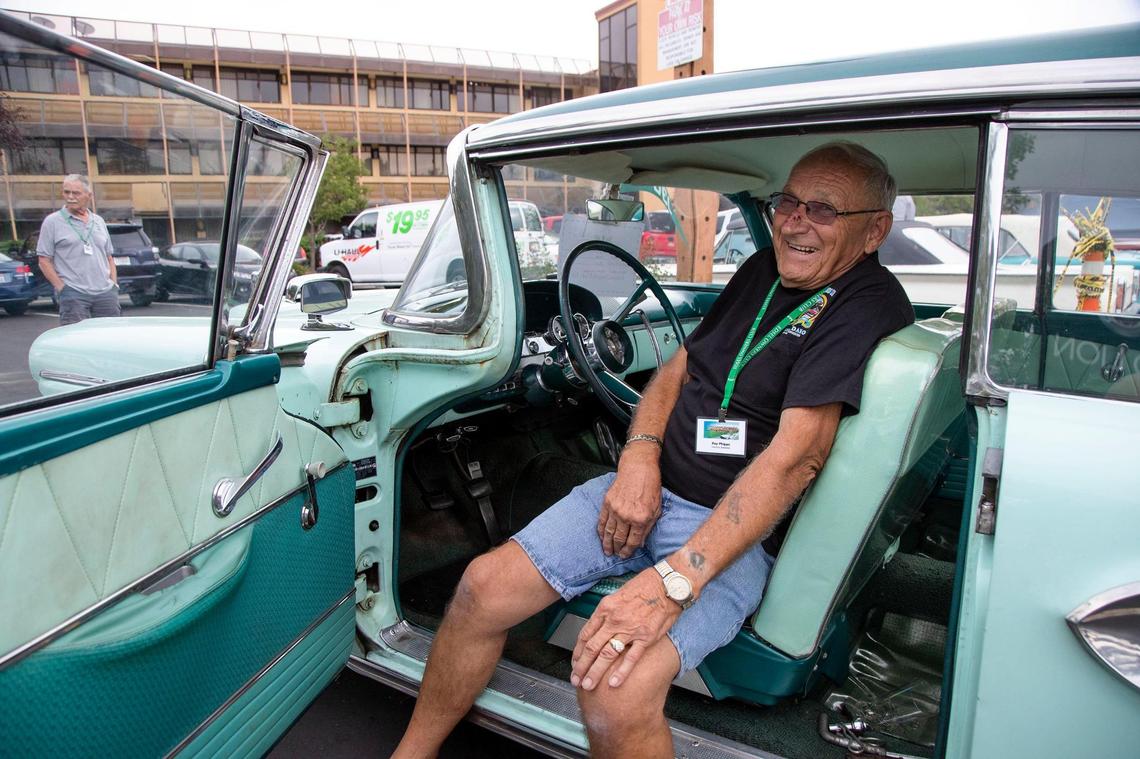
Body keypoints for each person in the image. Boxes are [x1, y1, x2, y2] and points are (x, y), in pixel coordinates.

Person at [393, 142, 915, 759]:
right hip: (650, 488)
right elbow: (675, 371)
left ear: (875, 230)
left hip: (730, 534)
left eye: (823, 210)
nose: (796, 221)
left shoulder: (864, 302)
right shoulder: (763, 270)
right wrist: (638, 459)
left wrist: (674, 581)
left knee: (616, 687)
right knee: (481, 587)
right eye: (789, 203)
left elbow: (797, 455)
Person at [37, 174, 120, 325]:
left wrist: (113, 285)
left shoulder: (98, 221)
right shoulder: (52, 222)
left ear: (89, 195)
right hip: (74, 294)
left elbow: (108, 256)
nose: (70, 197)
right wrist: (63, 288)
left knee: (109, 340)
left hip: (105, 293)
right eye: (66, 192)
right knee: (76, 342)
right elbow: (43, 260)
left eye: (76, 193)